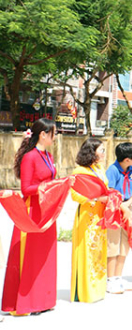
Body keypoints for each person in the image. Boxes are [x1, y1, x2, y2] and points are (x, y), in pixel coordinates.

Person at [3, 119, 59, 315]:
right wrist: (48, 187)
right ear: (43, 134)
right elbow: (26, 189)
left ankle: (43, 299)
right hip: (32, 213)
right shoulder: (30, 157)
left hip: (47, 211)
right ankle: (26, 302)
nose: (56, 135)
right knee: (30, 257)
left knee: (45, 256)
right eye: (53, 132)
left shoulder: (49, 156)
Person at [70, 138, 109, 303]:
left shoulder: (99, 169)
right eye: (102, 150)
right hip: (87, 215)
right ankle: (85, 291)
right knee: (87, 249)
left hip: (100, 215)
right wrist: (94, 199)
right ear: (92, 152)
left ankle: (98, 289)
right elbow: (74, 194)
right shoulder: (79, 171)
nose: (104, 153)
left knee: (98, 251)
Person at [105, 142, 132, 294]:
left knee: (124, 244)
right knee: (113, 243)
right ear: (127, 159)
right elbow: (110, 192)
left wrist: (128, 204)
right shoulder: (112, 170)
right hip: (114, 209)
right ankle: (110, 279)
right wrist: (122, 206)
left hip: (127, 207)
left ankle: (118, 277)